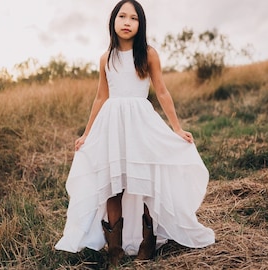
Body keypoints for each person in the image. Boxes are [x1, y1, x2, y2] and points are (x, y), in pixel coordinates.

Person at [55, 0, 215, 267]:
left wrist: (176, 127)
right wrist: (86, 133)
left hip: (141, 123)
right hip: (112, 125)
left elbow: (162, 91)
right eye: (122, 16)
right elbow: (100, 97)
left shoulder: (148, 53)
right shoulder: (106, 58)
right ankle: (114, 248)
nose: (127, 22)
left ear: (141, 25)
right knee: (112, 186)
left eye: (134, 18)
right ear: (113, 21)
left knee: (145, 183)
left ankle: (148, 240)